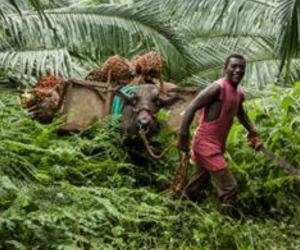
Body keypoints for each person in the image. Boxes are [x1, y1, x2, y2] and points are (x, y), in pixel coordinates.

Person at [177, 54, 263, 217]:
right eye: (234, 66)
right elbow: (191, 107)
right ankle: (227, 223)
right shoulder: (217, 88)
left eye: (241, 67)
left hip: (216, 145)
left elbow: (240, 113)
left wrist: (252, 131)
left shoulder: (238, 93)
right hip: (205, 145)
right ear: (225, 68)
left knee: (198, 183)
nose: (238, 70)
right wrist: (183, 135)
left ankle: (180, 211)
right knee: (230, 187)